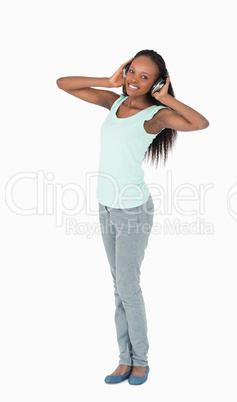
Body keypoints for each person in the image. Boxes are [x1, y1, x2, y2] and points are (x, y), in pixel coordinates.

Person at [56, 49, 209, 385]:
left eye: (145, 77)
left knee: (129, 286)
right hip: (105, 205)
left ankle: (140, 360)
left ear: (157, 82)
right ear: (124, 70)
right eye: (132, 72)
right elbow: (62, 83)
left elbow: (200, 123)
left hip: (132, 211)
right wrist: (108, 81)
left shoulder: (156, 115)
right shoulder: (114, 103)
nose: (135, 80)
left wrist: (165, 98)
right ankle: (124, 359)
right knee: (118, 286)